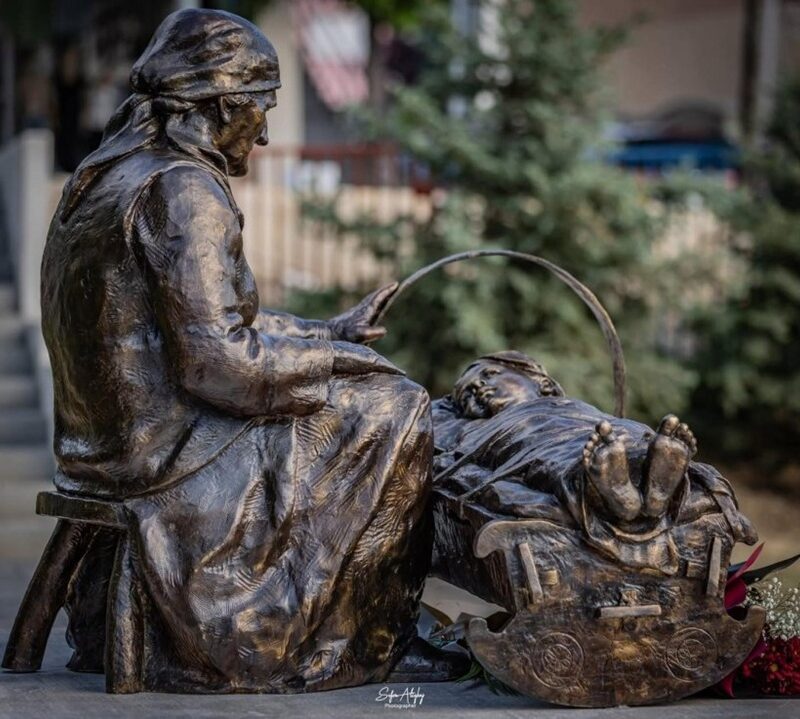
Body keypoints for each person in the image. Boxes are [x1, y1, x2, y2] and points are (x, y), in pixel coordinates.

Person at [41, 8, 463, 692]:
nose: (264, 131)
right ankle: (367, 635)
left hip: (104, 441)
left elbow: (208, 322)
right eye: (259, 107)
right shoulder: (182, 189)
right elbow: (217, 365)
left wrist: (328, 334)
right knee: (398, 407)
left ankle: (351, 619)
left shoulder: (104, 175)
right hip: (167, 449)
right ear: (219, 104)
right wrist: (332, 364)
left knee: (368, 387)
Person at [432, 351, 757, 574]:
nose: (479, 388)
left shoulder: (571, 404)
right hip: (534, 441)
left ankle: (649, 478)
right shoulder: (476, 429)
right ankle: (621, 494)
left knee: (624, 439)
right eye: (466, 394)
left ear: (543, 383)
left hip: (596, 429)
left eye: (490, 375)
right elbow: (432, 431)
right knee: (559, 460)